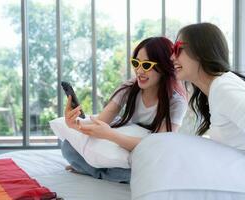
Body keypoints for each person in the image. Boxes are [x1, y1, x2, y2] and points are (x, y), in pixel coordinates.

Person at [62, 36, 188, 183]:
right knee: (68, 146)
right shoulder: (129, 87)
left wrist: (110, 135)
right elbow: (101, 122)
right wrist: (74, 124)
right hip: (125, 147)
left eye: (146, 65)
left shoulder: (176, 101)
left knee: (153, 169)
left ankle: (95, 171)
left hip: (151, 153)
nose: (139, 71)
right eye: (136, 63)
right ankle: (104, 172)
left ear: (164, 67)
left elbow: (158, 146)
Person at [171, 22, 245, 184]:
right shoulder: (216, 90)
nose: (172, 57)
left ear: (201, 50)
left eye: (177, 49)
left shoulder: (225, 89)